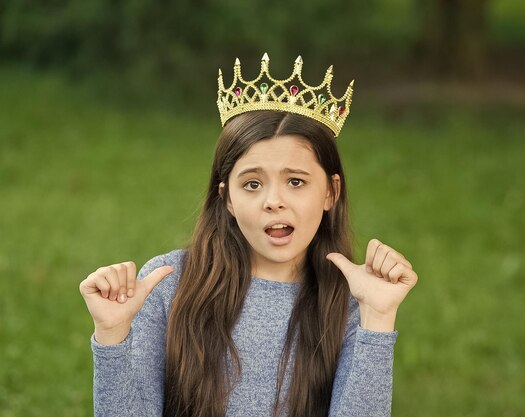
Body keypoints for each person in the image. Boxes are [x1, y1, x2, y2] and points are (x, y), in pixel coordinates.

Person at [79, 54, 418, 417]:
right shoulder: (168, 285)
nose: (274, 202)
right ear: (226, 197)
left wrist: (378, 319)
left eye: (296, 182)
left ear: (330, 193)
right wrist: (112, 335)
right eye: (253, 184)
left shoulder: (353, 301)